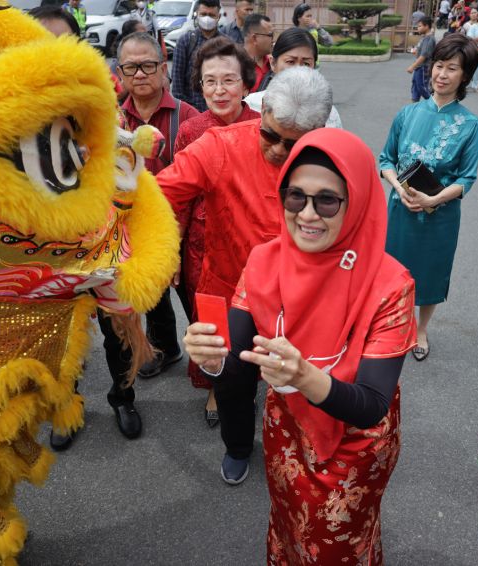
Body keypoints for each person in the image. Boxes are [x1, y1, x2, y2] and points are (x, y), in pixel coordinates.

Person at [183, 128, 417, 563]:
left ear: (359, 201)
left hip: (354, 444)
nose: (308, 214)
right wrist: (212, 361)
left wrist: (305, 376)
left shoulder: (390, 285)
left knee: (338, 545)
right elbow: (238, 364)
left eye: (327, 200)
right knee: (289, 523)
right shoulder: (264, 261)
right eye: (295, 197)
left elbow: (370, 405)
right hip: (287, 429)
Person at [157, 67, 332, 484]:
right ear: (262, 111)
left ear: (318, 131)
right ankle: (238, 447)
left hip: (300, 298)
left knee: (300, 379)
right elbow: (161, 194)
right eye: (270, 135)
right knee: (231, 380)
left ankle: (305, 448)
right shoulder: (219, 145)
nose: (278, 150)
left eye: (293, 143)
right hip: (223, 289)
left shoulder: (329, 161)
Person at [173, 36, 260, 428]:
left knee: (255, 323)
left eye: (228, 80)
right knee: (211, 324)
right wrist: (171, 251)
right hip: (201, 248)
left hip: (252, 246)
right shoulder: (192, 130)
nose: (219, 90)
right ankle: (215, 387)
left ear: (247, 83)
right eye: (210, 81)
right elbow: (178, 197)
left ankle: (255, 383)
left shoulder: (263, 127)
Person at [380, 34, 478, 362]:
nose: (442, 74)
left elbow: (467, 178)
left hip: (439, 216)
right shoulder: (406, 114)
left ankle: (421, 329)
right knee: (393, 270)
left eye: (452, 68)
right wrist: (398, 188)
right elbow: (386, 160)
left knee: (431, 273)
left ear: (464, 76)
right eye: (439, 65)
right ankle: (393, 324)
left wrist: (432, 201)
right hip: (400, 209)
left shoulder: (470, 124)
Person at [117, 32, 199, 385]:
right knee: (151, 295)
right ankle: (165, 347)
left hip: (185, 226)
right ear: (119, 73)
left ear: (163, 69)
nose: (139, 74)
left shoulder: (188, 116)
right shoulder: (113, 120)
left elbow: (198, 182)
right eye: (130, 67)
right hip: (135, 228)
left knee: (193, 295)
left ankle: (210, 360)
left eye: (147, 65)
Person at [245, 27, 343, 128]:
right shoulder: (251, 105)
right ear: (273, 63)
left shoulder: (327, 113)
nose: (298, 70)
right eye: (290, 62)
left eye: (306, 63)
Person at [171, 0, 226, 112]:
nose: (207, 18)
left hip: (219, 110)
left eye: (211, 15)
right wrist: (186, 111)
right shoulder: (185, 41)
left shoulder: (226, 43)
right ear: (196, 14)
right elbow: (177, 83)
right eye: (203, 14)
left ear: (218, 17)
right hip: (191, 110)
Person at [242, 13, 274, 92]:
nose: (273, 40)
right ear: (255, 38)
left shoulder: (273, 63)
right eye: (271, 35)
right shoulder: (235, 65)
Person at [408, 17, 436, 102]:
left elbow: (424, 55)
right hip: (419, 67)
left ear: (426, 26)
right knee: (416, 86)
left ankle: (434, 103)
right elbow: (421, 52)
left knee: (422, 86)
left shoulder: (429, 39)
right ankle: (414, 105)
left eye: (420, 26)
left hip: (424, 67)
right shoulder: (424, 38)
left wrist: (412, 66)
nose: (418, 28)